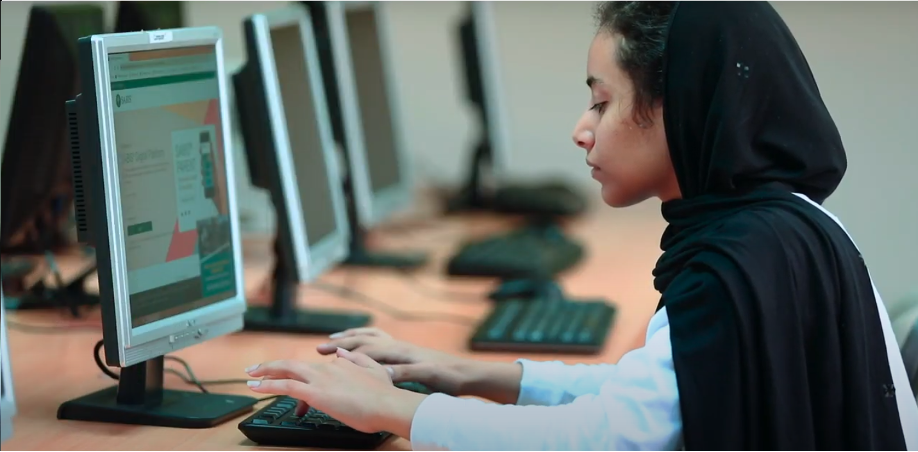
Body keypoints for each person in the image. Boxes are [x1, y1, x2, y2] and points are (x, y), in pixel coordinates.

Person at [244, 2, 918, 450]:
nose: (581, 129)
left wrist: (394, 411)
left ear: (680, 108)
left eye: (602, 101)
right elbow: (664, 389)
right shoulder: (780, 226)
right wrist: (462, 372)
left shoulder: (738, 264)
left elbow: (613, 435)